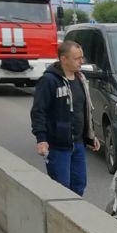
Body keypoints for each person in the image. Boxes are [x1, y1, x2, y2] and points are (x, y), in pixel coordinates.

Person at [31, 41, 100, 195]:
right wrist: (41, 139)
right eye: (77, 58)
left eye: (82, 57)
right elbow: (38, 111)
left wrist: (90, 135)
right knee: (61, 189)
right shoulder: (49, 81)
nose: (81, 61)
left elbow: (84, 110)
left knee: (79, 186)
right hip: (58, 147)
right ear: (63, 59)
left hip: (78, 145)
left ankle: (76, 218)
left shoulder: (81, 78)